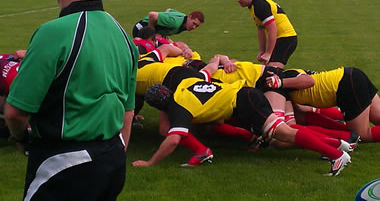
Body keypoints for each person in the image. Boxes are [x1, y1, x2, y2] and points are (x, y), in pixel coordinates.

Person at [4, 0, 139, 199]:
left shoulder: (51, 32)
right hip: (113, 160)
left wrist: (21, 139)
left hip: (63, 163)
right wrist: (118, 151)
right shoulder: (124, 36)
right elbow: (127, 112)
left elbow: (15, 112)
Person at [133, 78, 351, 176]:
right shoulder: (183, 86)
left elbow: (172, 139)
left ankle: (335, 154)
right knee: (282, 134)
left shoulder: (179, 109)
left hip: (245, 104)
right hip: (244, 95)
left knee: (283, 134)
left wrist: (150, 163)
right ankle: (338, 145)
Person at [266, 67, 380, 144]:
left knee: (362, 135)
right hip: (350, 75)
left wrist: (280, 82)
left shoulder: (285, 77)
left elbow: (310, 81)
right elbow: (302, 112)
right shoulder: (288, 83)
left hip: (345, 85)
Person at [234, 0, 297, 68]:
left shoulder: (259, 5)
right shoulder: (253, 6)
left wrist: (268, 53)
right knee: (264, 71)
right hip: (279, 38)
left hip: (286, 38)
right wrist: (262, 51)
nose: (238, 0)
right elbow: (260, 29)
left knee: (271, 71)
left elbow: (272, 29)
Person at [132, 9, 204, 38]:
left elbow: (169, 10)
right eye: (194, 23)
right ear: (190, 17)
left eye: (196, 26)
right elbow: (152, 15)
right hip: (141, 29)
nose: (194, 27)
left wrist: (163, 32)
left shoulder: (183, 17)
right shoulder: (175, 22)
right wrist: (152, 33)